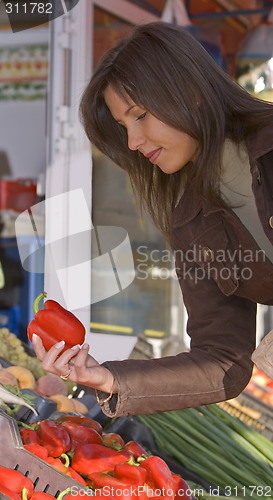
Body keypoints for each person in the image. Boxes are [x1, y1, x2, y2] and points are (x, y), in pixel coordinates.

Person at [32, 21, 273, 418]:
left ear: (190, 92)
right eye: (123, 126)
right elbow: (221, 362)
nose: (132, 141)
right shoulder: (190, 220)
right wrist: (107, 378)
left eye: (140, 115)